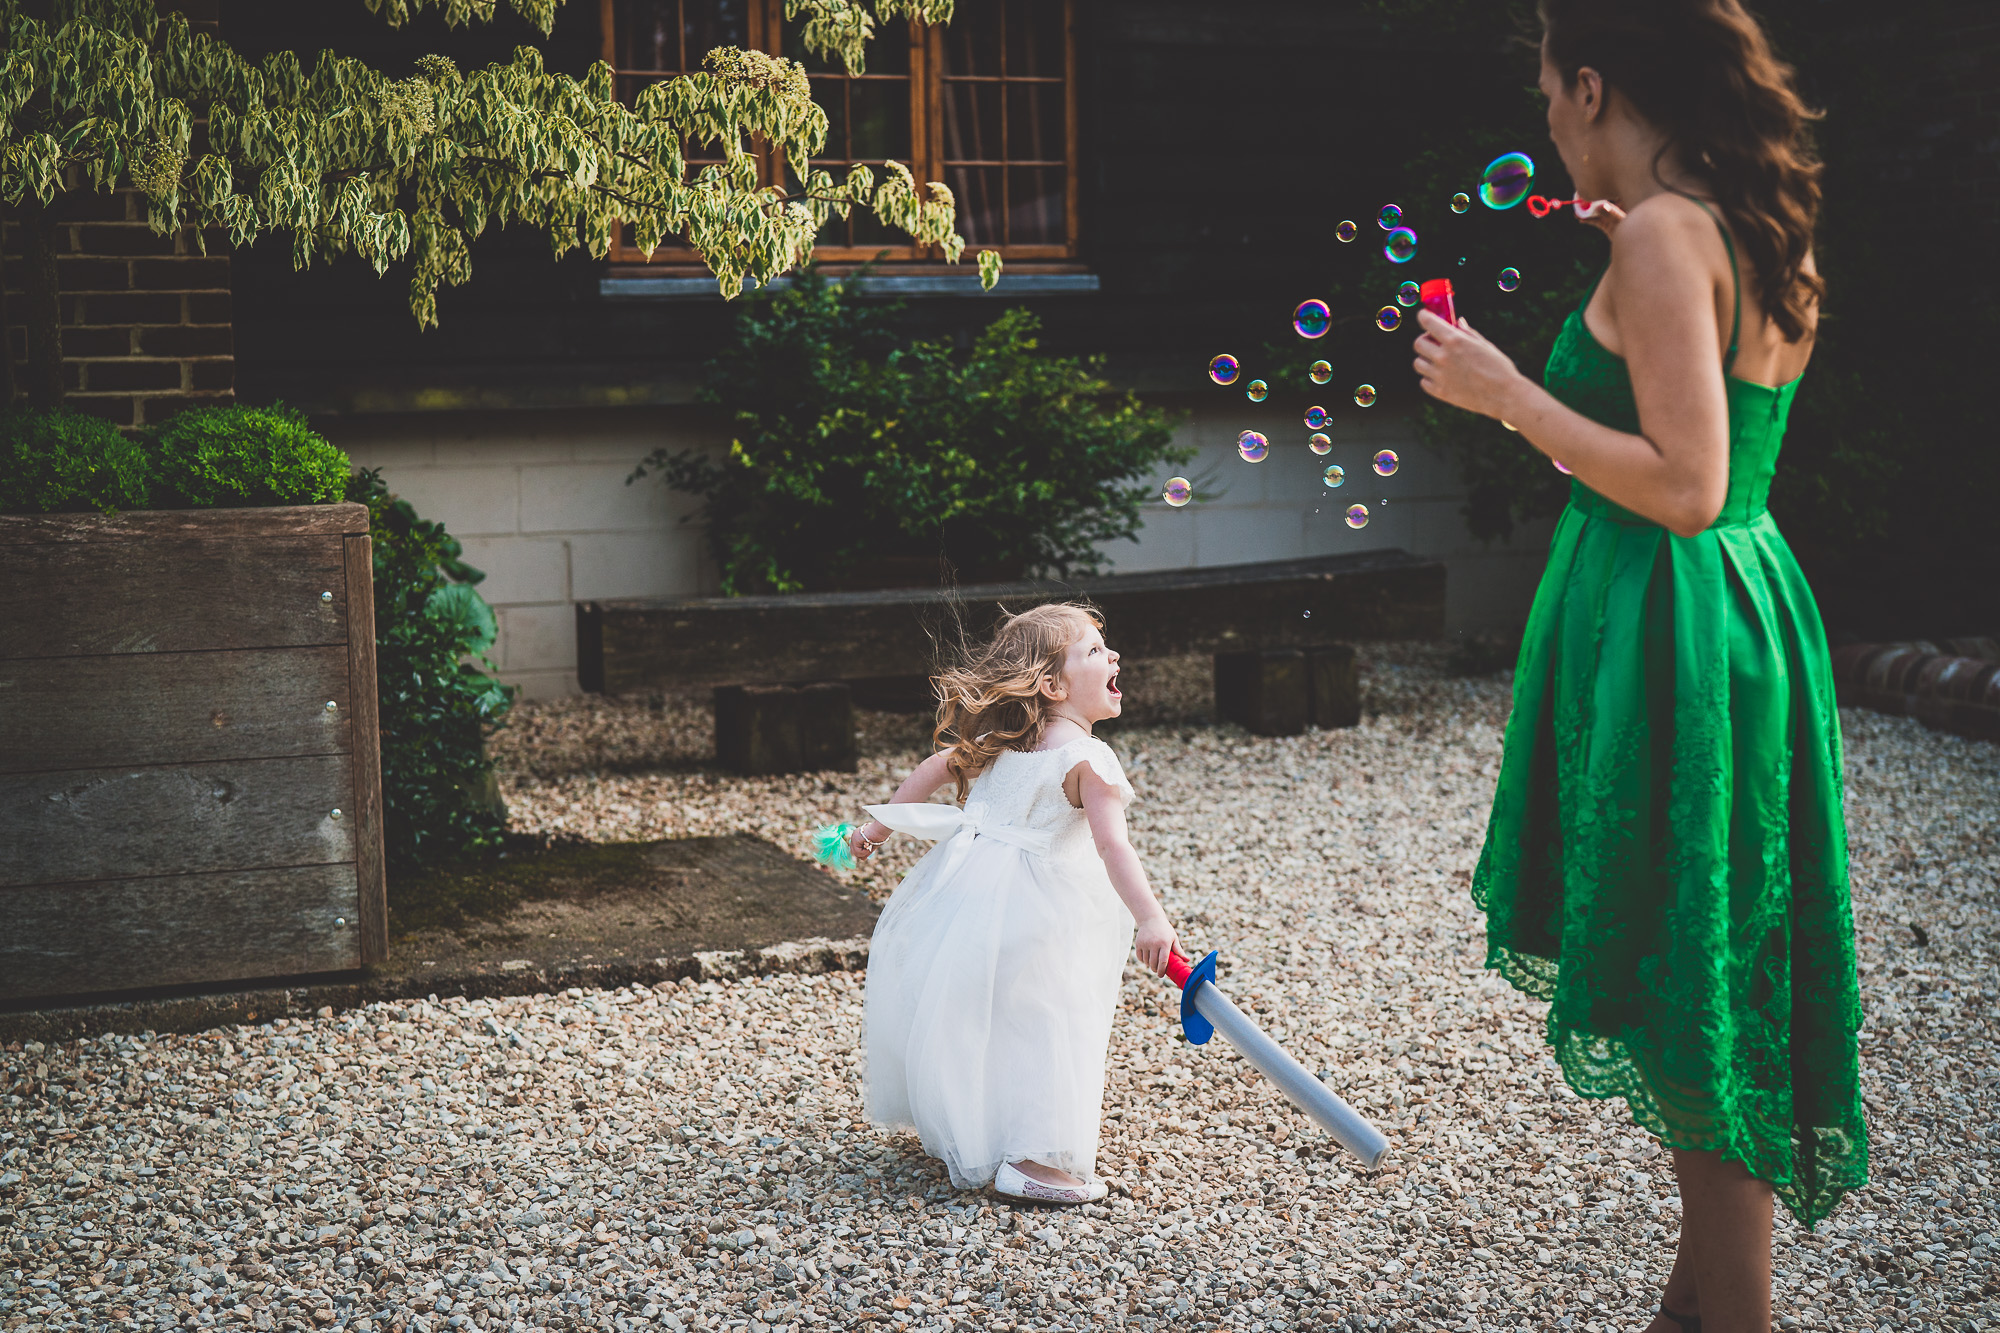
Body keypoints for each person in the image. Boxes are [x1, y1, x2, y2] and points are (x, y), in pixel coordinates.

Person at [1411, 2, 1867, 1330]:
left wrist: (1509, 394)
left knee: (1691, 989)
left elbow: (1685, 482)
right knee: (1702, 958)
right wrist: (1640, 267)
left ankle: (1737, 1318)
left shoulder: (1674, 236)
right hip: (1740, 605)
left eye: (1552, 92)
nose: (1546, 122)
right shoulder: (1731, 223)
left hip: (1675, 625)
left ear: (1596, 86)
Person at [843, 602, 1177, 1204]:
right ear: (1052, 684)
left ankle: (972, 1130)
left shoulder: (1002, 741)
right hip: (1040, 907)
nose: (1114, 656)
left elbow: (933, 768)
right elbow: (1112, 845)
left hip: (964, 893)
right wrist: (1150, 917)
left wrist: (873, 833)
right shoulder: (1088, 758)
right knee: (1051, 1020)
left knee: (985, 1015)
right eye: (1095, 651)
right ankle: (1032, 1160)